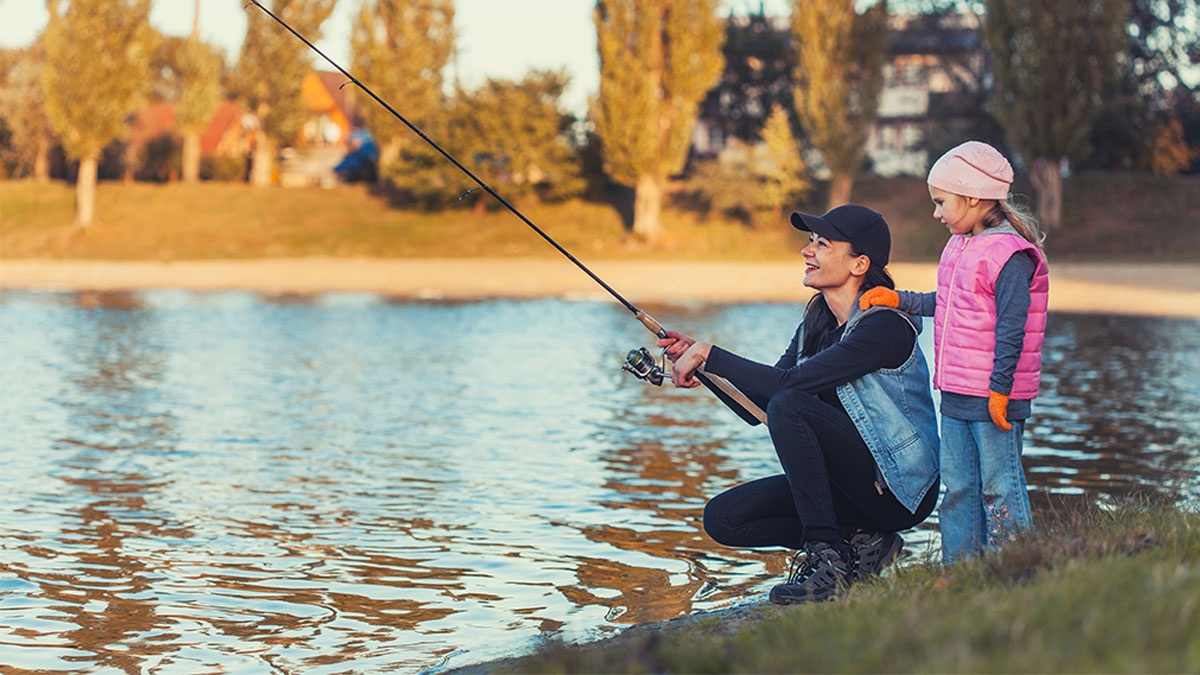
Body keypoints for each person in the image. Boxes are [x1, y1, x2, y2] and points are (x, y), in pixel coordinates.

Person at [660, 204, 940, 603]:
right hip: (852, 487)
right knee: (724, 519)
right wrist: (702, 365)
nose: (807, 251)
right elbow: (758, 406)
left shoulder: (885, 325)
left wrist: (712, 353)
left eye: (822, 244)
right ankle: (862, 544)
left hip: (898, 490)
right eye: (810, 241)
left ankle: (828, 560)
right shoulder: (817, 323)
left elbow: (790, 389)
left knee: (791, 402)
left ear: (859, 263)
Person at [859, 141, 1049, 564]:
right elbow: (946, 303)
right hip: (958, 395)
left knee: (999, 485)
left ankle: (1015, 564)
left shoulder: (1009, 254)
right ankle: (961, 568)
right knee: (959, 486)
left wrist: (1001, 389)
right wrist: (899, 300)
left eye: (941, 202)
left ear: (973, 197)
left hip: (995, 397)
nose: (936, 212)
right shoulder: (961, 246)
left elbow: (1011, 330)